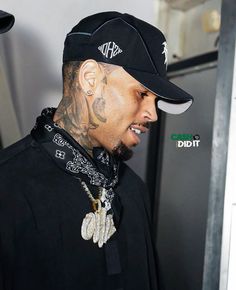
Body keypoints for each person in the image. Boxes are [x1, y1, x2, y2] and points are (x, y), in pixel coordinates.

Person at [0, 12, 193, 290]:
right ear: (90, 79)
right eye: (141, 94)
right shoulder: (8, 188)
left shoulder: (133, 190)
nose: (153, 113)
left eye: (156, 100)